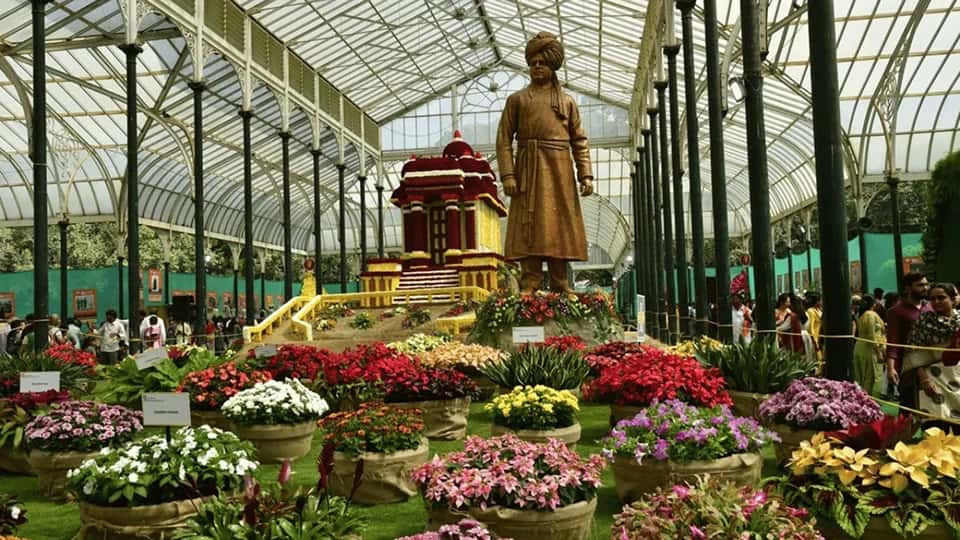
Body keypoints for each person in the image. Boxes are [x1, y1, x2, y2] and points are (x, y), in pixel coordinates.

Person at [496, 32, 593, 295]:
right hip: (528, 168)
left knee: (559, 223)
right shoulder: (517, 100)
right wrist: (508, 175)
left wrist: (585, 174)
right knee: (531, 224)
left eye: (542, 62)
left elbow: (579, 140)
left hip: (560, 168)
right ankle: (530, 281)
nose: (537, 66)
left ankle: (561, 282)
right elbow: (504, 139)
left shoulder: (567, 102)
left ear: (553, 66)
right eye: (533, 62)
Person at [901, 283, 960, 416]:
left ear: (952, 299)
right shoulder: (923, 321)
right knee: (937, 422)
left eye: (941, 297)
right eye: (932, 299)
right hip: (934, 378)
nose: (936, 302)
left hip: (958, 375)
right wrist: (924, 380)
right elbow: (913, 354)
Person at [886, 272, 932, 392]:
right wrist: (891, 368)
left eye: (926, 284)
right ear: (907, 288)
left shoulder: (931, 307)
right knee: (911, 402)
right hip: (909, 365)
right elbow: (893, 342)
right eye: (920, 285)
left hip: (934, 364)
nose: (925, 288)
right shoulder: (895, 312)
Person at [853, 295, 886, 396]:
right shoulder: (871, 315)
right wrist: (878, 352)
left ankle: (862, 399)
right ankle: (868, 401)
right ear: (874, 304)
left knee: (861, 376)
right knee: (870, 376)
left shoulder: (860, 314)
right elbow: (871, 335)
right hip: (870, 349)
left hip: (860, 346)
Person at [805, 292, 824, 357]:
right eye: (820, 300)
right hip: (815, 338)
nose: (821, 302)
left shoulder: (819, 310)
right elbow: (811, 327)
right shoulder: (811, 311)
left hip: (821, 337)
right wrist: (814, 341)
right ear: (816, 301)